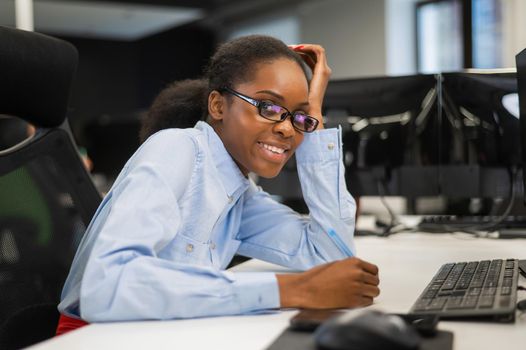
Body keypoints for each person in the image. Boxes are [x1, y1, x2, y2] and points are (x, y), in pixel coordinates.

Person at [56, 35, 380, 335]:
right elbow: (108, 283)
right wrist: (292, 290)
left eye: (297, 117)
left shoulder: (240, 195)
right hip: (95, 336)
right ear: (218, 106)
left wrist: (315, 113)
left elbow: (332, 256)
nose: (287, 130)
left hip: (158, 333)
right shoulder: (176, 149)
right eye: (269, 107)